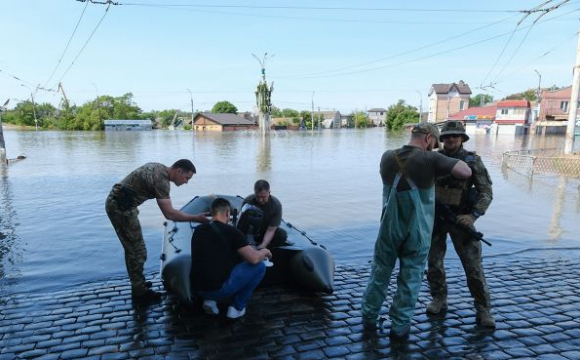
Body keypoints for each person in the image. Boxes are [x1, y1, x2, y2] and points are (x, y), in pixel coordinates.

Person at [361, 123, 472, 341]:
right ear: (429, 138)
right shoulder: (430, 159)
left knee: (379, 273)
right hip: (417, 230)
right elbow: (465, 171)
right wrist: (446, 160)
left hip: (389, 228)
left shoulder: (386, 156)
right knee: (411, 276)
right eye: (434, 143)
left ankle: (369, 316)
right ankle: (399, 326)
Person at [106, 159, 209, 304]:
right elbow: (170, 214)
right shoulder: (161, 181)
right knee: (137, 251)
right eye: (187, 178)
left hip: (122, 203)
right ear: (178, 171)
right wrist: (196, 218)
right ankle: (139, 292)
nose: (186, 182)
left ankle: (138, 282)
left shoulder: (159, 168)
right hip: (120, 208)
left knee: (134, 249)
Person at [426, 120, 495, 328]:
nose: (450, 140)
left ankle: (483, 309)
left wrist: (473, 216)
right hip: (435, 219)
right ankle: (439, 299)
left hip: (461, 219)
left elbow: (486, 193)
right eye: (446, 136)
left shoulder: (472, 160)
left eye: (455, 136)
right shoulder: (432, 158)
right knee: (434, 264)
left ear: (462, 138)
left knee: (473, 267)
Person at [191, 198, 272, 319]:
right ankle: (236, 308)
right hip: (217, 290)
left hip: (198, 288)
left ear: (211, 212)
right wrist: (265, 251)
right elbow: (254, 259)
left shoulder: (198, 230)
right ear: (228, 213)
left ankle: (209, 301)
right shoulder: (232, 232)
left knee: (215, 263)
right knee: (259, 266)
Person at [241, 180, 287, 249]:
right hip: (249, 231)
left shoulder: (276, 205)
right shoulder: (248, 201)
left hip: (265, 231)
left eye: (263, 197)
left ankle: (269, 251)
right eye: (257, 196)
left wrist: (263, 246)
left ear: (269, 192)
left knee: (282, 234)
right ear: (254, 193)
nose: (260, 200)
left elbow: (271, 229)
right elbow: (241, 224)